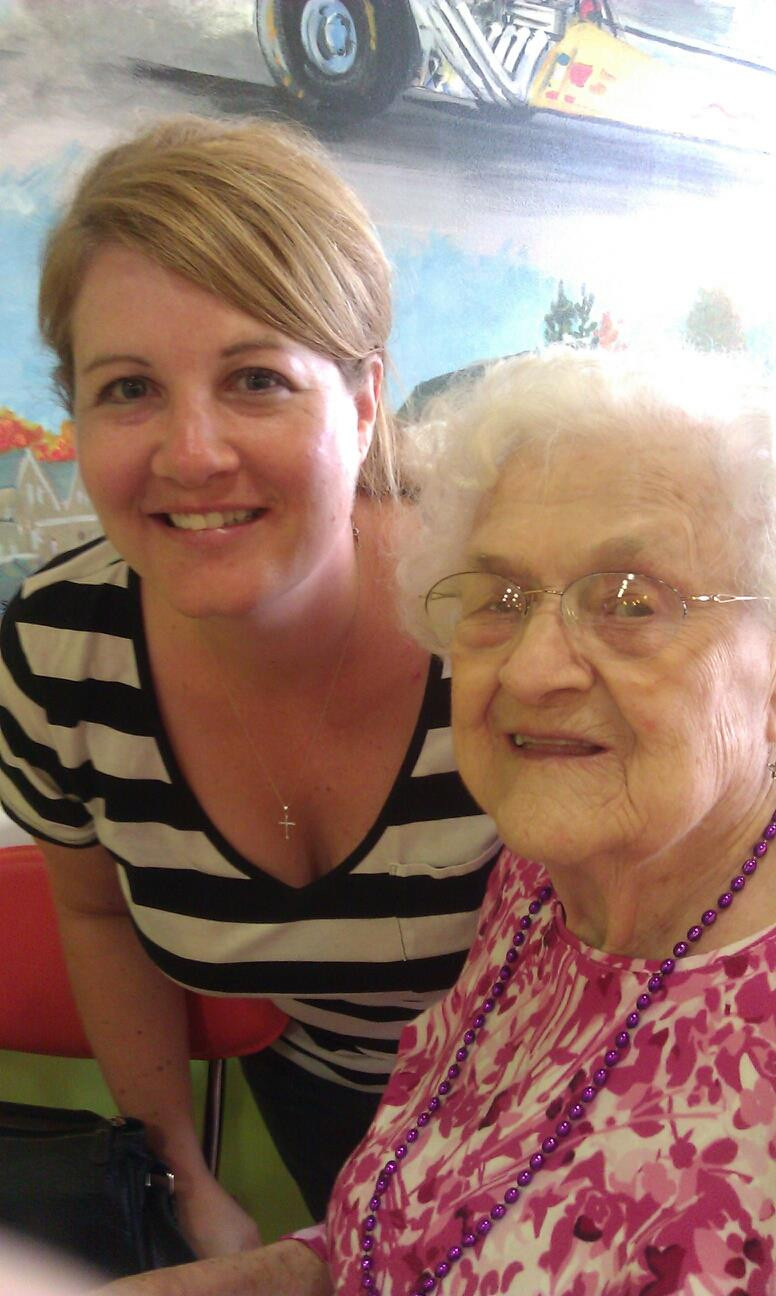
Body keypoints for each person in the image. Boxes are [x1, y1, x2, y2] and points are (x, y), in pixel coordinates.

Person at [98, 347, 775, 1294]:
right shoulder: (542, 879)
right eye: (501, 598)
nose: (533, 670)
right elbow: (429, 1228)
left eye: (631, 602)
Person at [0, 115, 499, 1252]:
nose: (191, 454)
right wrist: (181, 1172)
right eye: (129, 388)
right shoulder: (61, 650)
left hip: (558, 1107)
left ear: (362, 403)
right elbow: (96, 913)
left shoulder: (496, 611)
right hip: (318, 1103)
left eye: (257, 379)